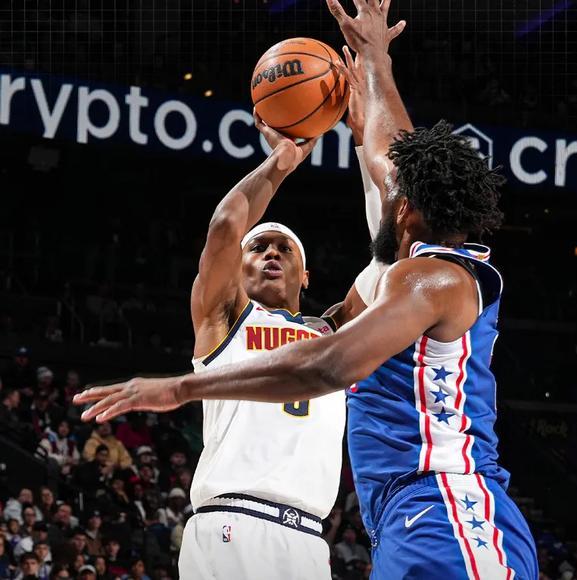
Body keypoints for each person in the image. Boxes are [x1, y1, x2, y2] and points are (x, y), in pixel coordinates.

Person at [76, 1, 539, 577]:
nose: (271, 254)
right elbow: (386, 159)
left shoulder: (412, 286)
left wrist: (179, 388)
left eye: (284, 248)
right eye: (259, 248)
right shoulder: (380, 286)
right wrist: (374, 64)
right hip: (372, 514)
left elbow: (328, 364)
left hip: (443, 505)